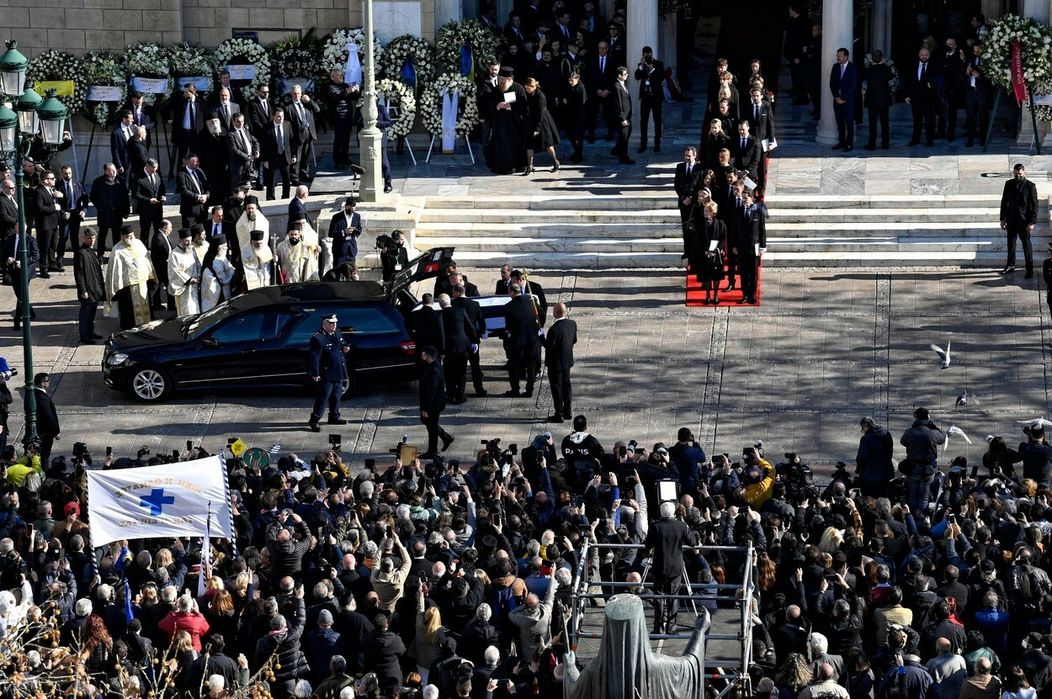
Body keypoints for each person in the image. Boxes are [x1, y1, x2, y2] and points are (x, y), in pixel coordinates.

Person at [644, 500, 689, 634]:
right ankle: (671, 627)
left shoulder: (656, 526)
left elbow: (648, 545)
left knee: (658, 597)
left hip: (659, 566)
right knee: (673, 597)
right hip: (675, 567)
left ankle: (658, 628)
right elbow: (692, 541)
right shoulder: (681, 526)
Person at [104, 225, 156, 330]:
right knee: (129, 310)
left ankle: (146, 324)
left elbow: (147, 261)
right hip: (127, 287)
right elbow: (113, 270)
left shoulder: (139, 244)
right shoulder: (117, 250)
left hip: (142, 284)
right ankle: (130, 327)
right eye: (127, 236)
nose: (130, 238)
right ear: (122, 237)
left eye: (132, 235)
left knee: (146, 307)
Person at [307, 314, 350, 433]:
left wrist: (345, 347)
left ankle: (334, 416)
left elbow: (342, 342)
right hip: (326, 373)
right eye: (331, 323)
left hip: (338, 370)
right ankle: (314, 420)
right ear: (324, 324)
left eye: (335, 323)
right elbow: (314, 357)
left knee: (337, 395)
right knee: (323, 397)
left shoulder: (336, 332)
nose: (334, 325)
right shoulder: (318, 338)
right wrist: (315, 373)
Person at [899, 406, 945, 514]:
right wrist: (932, 425)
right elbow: (942, 437)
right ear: (927, 418)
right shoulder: (932, 433)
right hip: (928, 471)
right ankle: (922, 519)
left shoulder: (909, 432)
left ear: (915, 417)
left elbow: (903, 441)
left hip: (913, 469)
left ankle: (910, 518)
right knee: (924, 498)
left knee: (912, 496)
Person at [1000, 163, 1039, 278]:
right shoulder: (1008, 184)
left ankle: (1029, 269)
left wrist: (1032, 221)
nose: (1018, 176)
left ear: (1024, 172)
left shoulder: (1030, 186)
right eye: (1016, 174)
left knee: (1026, 245)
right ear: (1013, 172)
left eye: (1020, 174)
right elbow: (1004, 202)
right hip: (1011, 219)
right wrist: (1002, 218)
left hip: (1024, 221)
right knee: (1010, 244)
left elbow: (1035, 205)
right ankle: (1010, 265)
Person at [503, 283, 541, 397]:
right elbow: (541, 314)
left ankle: (515, 389)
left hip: (518, 341)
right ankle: (529, 390)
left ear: (512, 292)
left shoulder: (509, 306)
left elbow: (509, 326)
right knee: (531, 366)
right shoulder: (531, 299)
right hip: (533, 339)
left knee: (514, 365)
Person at [487, 67, 528, 175]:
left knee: (516, 145)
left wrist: (511, 106)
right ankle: (504, 167)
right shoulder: (496, 89)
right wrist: (497, 105)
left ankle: (518, 165)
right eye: (500, 79)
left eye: (503, 80)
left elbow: (524, 106)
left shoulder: (518, 89)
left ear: (510, 79)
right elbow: (490, 104)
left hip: (515, 124)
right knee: (501, 146)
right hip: (500, 123)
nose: (501, 82)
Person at [450, 283, 487, 397]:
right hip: (472, 339)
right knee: (475, 366)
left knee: (459, 368)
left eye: (453, 292)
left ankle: (459, 390)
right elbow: (481, 321)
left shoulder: (452, 305)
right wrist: (480, 334)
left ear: (456, 292)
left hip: (459, 341)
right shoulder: (475, 304)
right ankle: (479, 389)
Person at [438, 294, 475, 405]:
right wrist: (474, 341)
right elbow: (470, 327)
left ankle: (451, 394)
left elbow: (440, 334)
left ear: (440, 304)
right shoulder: (460, 311)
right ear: (450, 301)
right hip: (462, 346)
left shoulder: (439, 315)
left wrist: (441, 350)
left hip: (448, 349)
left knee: (449, 373)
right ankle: (459, 396)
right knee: (461, 373)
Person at [418, 346, 453, 459]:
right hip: (433, 402)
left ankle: (433, 450)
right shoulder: (432, 366)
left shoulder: (434, 371)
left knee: (431, 426)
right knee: (429, 423)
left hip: (434, 404)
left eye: (424, 353)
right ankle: (445, 437)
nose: (422, 355)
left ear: (428, 356)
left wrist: (426, 409)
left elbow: (431, 392)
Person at [544, 302, 576, 423]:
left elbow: (549, 348)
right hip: (567, 361)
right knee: (567, 386)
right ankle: (568, 411)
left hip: (555, 364)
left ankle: (559, 413)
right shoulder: (572, 324)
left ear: (554, 313)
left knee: (557, 388)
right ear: (565, 312)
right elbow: (574, 340)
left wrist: (541, 337)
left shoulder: (553, 330)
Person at [733, 189, 766, 305]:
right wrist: (734, 245)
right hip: (742, 246)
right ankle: (745, 294)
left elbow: (762, 230)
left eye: (746, 198)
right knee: (743, 272)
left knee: (753, 273)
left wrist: (763, 246)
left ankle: (752, 295)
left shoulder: (758, 210)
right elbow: (735, 230)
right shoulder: (738, 210)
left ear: (752, 198)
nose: (744, 200)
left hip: (754, 246)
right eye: (742, 198)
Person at [89, 163, 130, 254]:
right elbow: (93, 197)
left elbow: (125, 197)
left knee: (116, 235)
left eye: (114, 169)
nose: (114, 171)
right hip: (104, 213)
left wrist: (126, 211)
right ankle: (100, 254)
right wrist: (100, 207)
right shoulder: (98, 182)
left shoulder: (120, 180)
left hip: (117, 214)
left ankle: (115, 253)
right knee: (103, 234)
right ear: (106, 171)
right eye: (111, 170)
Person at [522, 78, 561, 174]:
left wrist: (537, 129)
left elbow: (541, 113)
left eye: (528, 88)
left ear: (533, 87)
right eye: (525, 88)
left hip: (542, 122)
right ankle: (529, 166)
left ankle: (555, 162)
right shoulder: (531, 94)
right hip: (532, 121)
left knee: (547, 144)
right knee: (529, 144)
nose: (526, 90)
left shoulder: (540, 96)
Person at [72, 228, 104, 344]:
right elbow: (79, 274)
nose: (92, 240)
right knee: (85, 314)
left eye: (93, 238)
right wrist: (83, 290)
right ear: (84, 238)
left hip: (94, 288)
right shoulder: (81, 253)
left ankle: (90, 332)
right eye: (89, 238)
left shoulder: (91, 251)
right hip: (87, 290)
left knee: (92, 313)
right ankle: (84, 336)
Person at [689, 200, 725, 305]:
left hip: (716, 253)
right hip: (704, 253)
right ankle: (708, 295)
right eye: (704, 210)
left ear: (712, 212)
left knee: (716, 276)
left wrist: (718, 248)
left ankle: (716, 295)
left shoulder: (720, 223)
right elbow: (698, 240)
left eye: (707, 211)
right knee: (707, 276)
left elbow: (722, 238)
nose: (705, 212)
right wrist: (705, 250)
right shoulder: (700, 224)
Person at [322, 69, 359, 170]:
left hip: (347, 116)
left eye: (341, 75)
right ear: (332, 77)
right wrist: (347, 91)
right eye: (338, 75)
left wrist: (356, 91)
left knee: (346, 139)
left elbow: (354, 98)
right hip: (338, 117)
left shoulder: (345, 85)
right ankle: (337, 161)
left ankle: (345, 158)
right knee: (339, 139)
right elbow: (335, 98)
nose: (341, 77)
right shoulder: (329, 87)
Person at [286, 85, 320, 185]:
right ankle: (294, 177)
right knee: (297, 155)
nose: (297, 96)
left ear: (301, 94)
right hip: (296, 134)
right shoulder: (288, 107)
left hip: (308, 132)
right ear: (291, 94)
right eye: (295, 94)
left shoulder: (305, 103)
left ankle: (304, 174)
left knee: (306, 155)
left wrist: (309, 101)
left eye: (298, 93)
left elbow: (317, 109)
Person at [905, 47, 938, 147]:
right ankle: (915, 140)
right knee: (917, 120)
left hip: (929, 98)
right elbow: (908, 81)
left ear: (929, 55)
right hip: (916, 98)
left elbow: (936, 81)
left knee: (929, 121)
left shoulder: (934, 66)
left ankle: (929, 140)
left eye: (926, 55)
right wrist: (906, 95)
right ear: (919, 55)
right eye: (922, 55)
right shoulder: (913, 66)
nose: (924, 57)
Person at [32, 170, 62, 277]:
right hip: (45, 224)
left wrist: (59, 197)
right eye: (52, 178)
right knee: (44, 247)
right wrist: (54, 207)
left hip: (54, 222)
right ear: (45, 180)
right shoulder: (38, 191)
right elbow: (40, 208)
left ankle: (52, 264)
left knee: (52, 246)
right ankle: (43, 268)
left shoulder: (51, 189)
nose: (54, 180)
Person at [634, 46, 663, 153]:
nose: (647, 57)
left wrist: (651, 68)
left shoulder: (658, 64)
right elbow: (637, 77)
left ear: (651, 53)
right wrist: (641, 66)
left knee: (657, 120)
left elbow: (661, 78)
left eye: (648, 55)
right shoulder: (641, 65)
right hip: (645, 96)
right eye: (645, 55)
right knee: (643, 121)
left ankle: (657, 143)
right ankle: (643, 144)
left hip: (656, 97)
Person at [856, 416, 894, 496]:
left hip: (870, 476)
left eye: (862, 428)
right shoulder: (886, 433)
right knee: (882, 497)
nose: (862, 430)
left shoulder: (866, 439)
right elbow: (890, 451)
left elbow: (862, 457)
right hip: (885, 472)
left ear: (866, 426)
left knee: (870, 500)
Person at [829, 47, 857, 151]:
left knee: (849, 122)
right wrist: (836, 97)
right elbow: (832, 84)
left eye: (840, 56)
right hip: (837, 101)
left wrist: (843, 98)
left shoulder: (852, 68)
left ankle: (849, 144)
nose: (838, 58)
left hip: (848, 101)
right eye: (837, 56)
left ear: (846, 56)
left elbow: (853, 86)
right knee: (839, 122)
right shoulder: (835, 67)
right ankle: (842, 142)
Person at [168, 228, 201, 317]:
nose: (189, 243)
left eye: (190, 240)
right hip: (183, 289)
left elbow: (197, 263)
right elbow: (174, 271)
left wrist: (199, 275)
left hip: (194, 286)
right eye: (186, 241)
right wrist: (189, 280)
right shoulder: (174, 254)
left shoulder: (191, 250)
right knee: (187, 313)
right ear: (180, 240)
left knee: (196, 311)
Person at [864, 50, 894, 150]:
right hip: (884, 101)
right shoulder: (886, 69)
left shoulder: (869, 70)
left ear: (872, 59)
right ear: (882, 58)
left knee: (872, 124)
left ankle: (872, 145)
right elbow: (891, 77)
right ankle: (885, 144)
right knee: (885, 123)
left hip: (872, 101)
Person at [200, 238, 235, 312]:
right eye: (225, 246)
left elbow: (230, 267)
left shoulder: (222, 257)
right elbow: (224, 280)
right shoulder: (214, 262)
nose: (227, 248)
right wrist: (233, 272)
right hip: (216, 295)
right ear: (219, 248)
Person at [135, 159, 166, 243]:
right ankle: (144, 251)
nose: (154, 171)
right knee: (145, 232)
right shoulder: (138, 177)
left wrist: (163, 196)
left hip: (157, 209)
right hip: (146, 210)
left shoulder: (157, 174)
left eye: (156, 169)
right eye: (153, 169)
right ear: (147, 167)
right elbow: (136, 194)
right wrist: (148, 200)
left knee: (158, 231)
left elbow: (162, 188)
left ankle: (157, 249)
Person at [176, 154, 210, 229]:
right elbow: (184, 191)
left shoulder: (199, 171)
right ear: (188, 162)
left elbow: (207, 185)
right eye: (196, 161)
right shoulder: (181, 174)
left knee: (202, 233)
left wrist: (206, 195)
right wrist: (197, 196)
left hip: (202, 209)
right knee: (190, 234)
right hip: (190, 210)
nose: (198, 163)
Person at [33, 373, 59, 469]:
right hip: (46, 432)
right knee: (45, 455)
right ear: (42, 383)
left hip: (43, 430)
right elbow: (49, 416)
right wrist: (56, 432)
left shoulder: (37, 393)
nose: (49, 382)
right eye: (47, 381)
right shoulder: (42, 397)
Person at [329, 197, 361, 273]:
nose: (352, 211)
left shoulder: (357, 216)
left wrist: (355, 230)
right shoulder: (336, 217)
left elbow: (359, 229)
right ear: (346, 207)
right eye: (350, 209)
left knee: (352, 272)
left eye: (353, 209)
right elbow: (331, 233)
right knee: (338, 272)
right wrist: (344, 232)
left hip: (351, 250)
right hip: (340, 251)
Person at [227, 112, 258, 192]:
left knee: (247, 187)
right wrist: (247, 157)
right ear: (233, 122)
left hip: (249, 165)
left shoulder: (246, 129)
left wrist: (256, 151)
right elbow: (234, 150)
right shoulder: (231, 134)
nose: (241, 123)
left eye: (242, 121)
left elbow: (255, 141)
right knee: (236, 188)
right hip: (238, 166)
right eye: (238, 121)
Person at [150, 219, 175, 312]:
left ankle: (163, 304)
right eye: (170, 228)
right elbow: (157, 256)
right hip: (161, 267)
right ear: (164, 228)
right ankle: (165, 305)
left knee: (161, 286)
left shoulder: (163, 235)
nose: (171, 229)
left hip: (165, 266)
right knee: (165, 286)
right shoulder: (158, 238)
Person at [674, 146, 702, 227]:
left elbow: (700, 185)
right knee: (685, 227)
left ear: (695, 155)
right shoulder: (680, 167)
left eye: (689, 156)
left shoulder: (699, 167)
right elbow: (676, 185)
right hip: (683, 202)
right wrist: (683, 198)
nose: (687, 158)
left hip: (695, 202)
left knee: (695, 227)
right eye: (686, 155)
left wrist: (691, 197)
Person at [612, 66, 634, 164]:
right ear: (619, 75)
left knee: (626, 135)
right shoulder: (617, 86)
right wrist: (622, 118)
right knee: (624, 138)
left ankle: (616, 150)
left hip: (627, 116)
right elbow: (618, 103)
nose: (627, 75)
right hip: (623, 117)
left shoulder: (622, 84)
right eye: (625, 74)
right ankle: (624, 157)